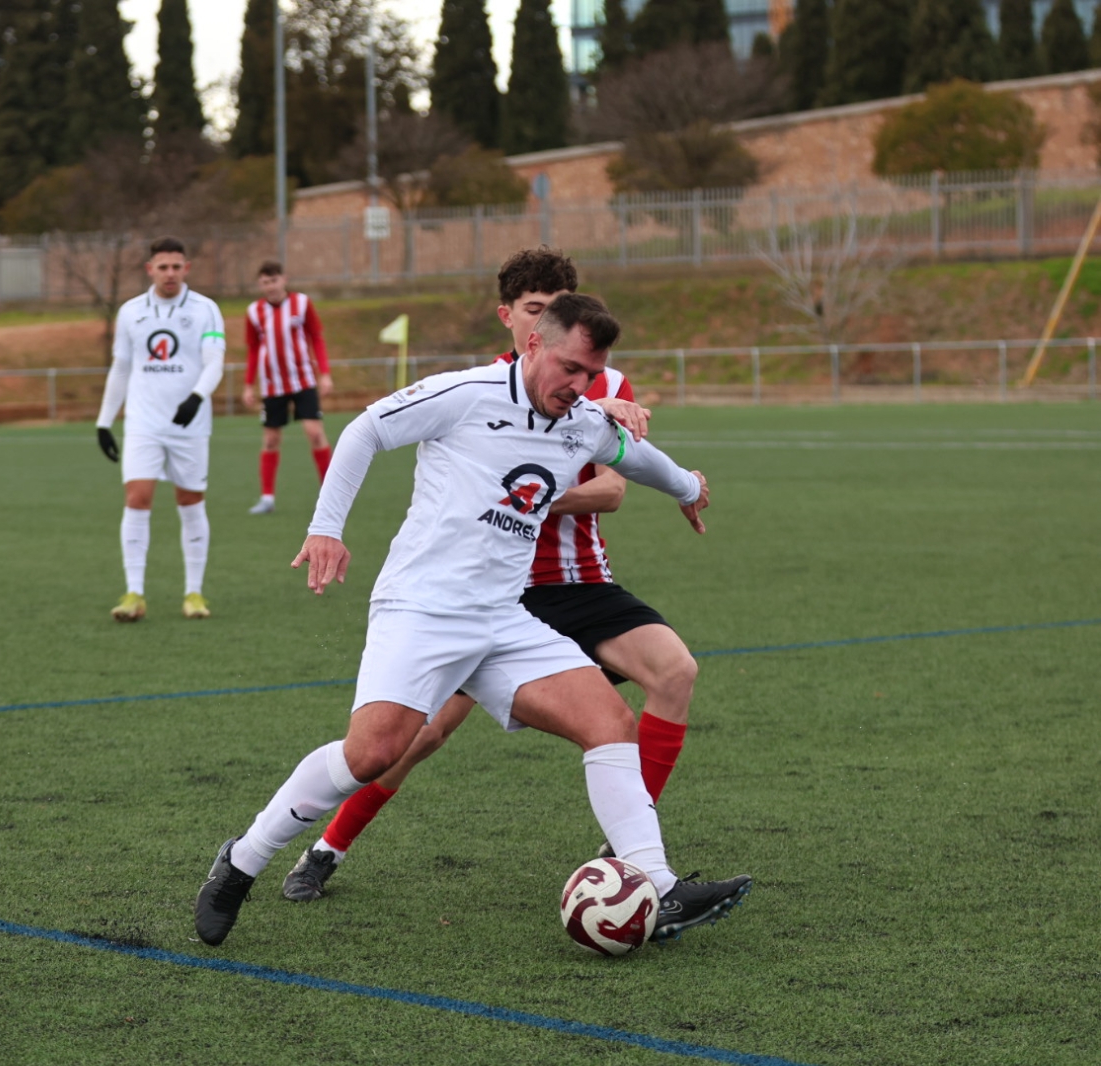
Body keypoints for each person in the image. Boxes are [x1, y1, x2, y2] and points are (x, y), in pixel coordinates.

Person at [194, 293, 750, 948]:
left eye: (592, 375)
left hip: (504, 619)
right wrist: (326, 529)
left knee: (609, 724)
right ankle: (242, 861)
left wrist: (689, 487)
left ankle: (657, 884)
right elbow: (366, 429)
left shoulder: (583, 421)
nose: (580, 386)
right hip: (421, 608)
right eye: (571, 368)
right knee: (373, 753)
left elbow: (633, 457)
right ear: (534, 344)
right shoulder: (466, 393)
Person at [281, 248, 704, 903]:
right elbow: (388, 438)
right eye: (533, 308)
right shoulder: (479, 390)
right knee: (417, 735)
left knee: (674, 671)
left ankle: (632, 854)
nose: (545, 319)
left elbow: (614, 489)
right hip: (493, 594)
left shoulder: (600, 382)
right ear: (510, 318)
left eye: (557, 306)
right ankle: (325, 849)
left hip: (579, 581)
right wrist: (509, 492)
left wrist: (539, 483)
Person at [95, 236, 226, 622]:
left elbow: (215, 362)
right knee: (137, 498)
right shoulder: (130, 312)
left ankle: (194, 594)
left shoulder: (206, 309)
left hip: (190, 425)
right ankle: (134, 593)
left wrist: (197, 397)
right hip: (143, 423)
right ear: (149, 269)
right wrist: (104, 421)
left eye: (176, 266)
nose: (170, 273)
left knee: (190, 501)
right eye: (163, 267)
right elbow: (121, 368)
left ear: (187, 268)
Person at [241, 260, 333, 514]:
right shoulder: (254, 311)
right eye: (265, 282)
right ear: (260, 285)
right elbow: (253, 349)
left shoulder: (301, 303)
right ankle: (267, 498)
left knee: (314, 433)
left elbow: (317, 338)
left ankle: (331, 493)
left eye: (274, 280)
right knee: (271, 439)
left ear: (284, 279)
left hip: (303, 380)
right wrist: (248, 385)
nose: (270, 286)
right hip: (272, 385)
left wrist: (325, 374)